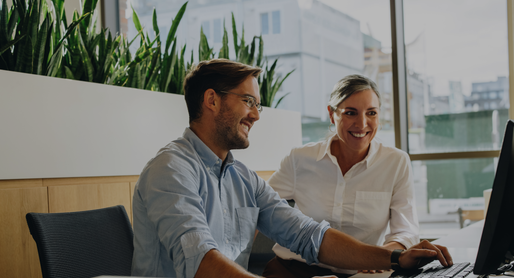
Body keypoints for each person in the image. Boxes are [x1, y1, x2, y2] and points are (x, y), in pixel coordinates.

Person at [131, 59, 452, 278]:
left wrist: (395, 258)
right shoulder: (170, 170)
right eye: (248, 101)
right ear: (212, 100)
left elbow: (309, 236)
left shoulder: (242, 178)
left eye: (258, 104)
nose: (256, 115)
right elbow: (200, 262)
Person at [263, 74, 419, 278]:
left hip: (360, 273)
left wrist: (380, 256)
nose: (362, 124)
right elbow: (258, 207)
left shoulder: (396, 162)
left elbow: (406, 230)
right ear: (332, 114)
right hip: (293, 270)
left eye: (371, 113)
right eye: (350, 113)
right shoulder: (299, 159)